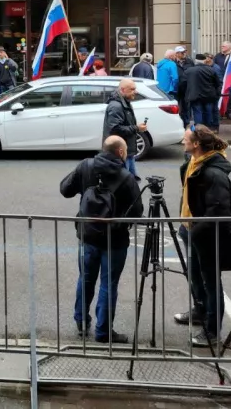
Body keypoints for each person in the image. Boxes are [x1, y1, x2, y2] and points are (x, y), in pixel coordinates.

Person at [60, 135, 143, 343]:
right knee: (108, 284)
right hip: (115, 239)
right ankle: (103, 331)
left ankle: (81, 321)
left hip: (87, 234)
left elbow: (65, 189)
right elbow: (137, 211)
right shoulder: (126, 177)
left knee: (85, 278)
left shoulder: (86, 166)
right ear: (121, 152)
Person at [174, 126, 231, 349]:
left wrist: (196, 231)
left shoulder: (213, 173)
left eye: (186, 137)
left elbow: (218, 210)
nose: (182, 139)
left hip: (206, 235)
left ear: (196, 144)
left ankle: (213, 331)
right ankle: (200, 311)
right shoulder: (192, 163)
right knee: (194, 275)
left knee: (211, 282)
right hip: (191, 229)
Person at [102, 78, 146, 179]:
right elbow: (115, 130)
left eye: (135, 89)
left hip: (127, 152)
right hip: (119, 155)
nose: (135, 92)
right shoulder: (116, 106)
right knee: (124, 184)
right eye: (132, 89)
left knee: (131, 182)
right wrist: (136, 128)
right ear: (122, 90)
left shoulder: (124, 102)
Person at [184, 54, 220, 131]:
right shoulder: (211, 70)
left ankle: (199, 130)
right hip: (209, 96)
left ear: (195, 61)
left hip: (195, 95)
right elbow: (217, 83)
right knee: (208, 112)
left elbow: (183, 83)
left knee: (197, 113)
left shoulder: (189, 71)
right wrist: (217, 94)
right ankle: (207, 129)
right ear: (204, 61)